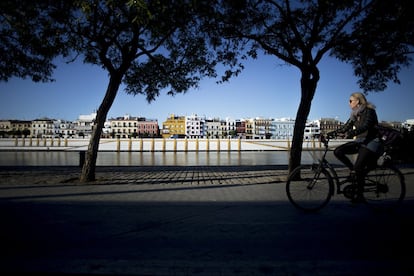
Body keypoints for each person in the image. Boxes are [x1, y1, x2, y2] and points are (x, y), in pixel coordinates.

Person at [328, 92, 383, 203]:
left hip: (371, 141)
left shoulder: (369, 111)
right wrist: (331, 134)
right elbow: (345, 127)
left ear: (357, 101)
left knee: (359, 167)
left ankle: (360, 195)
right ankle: (353, 170)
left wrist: (352, 133)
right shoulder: (354, 114)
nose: (349, 103)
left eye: (350, 101)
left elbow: (365, 126)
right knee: (338, 151)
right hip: (360, 141)